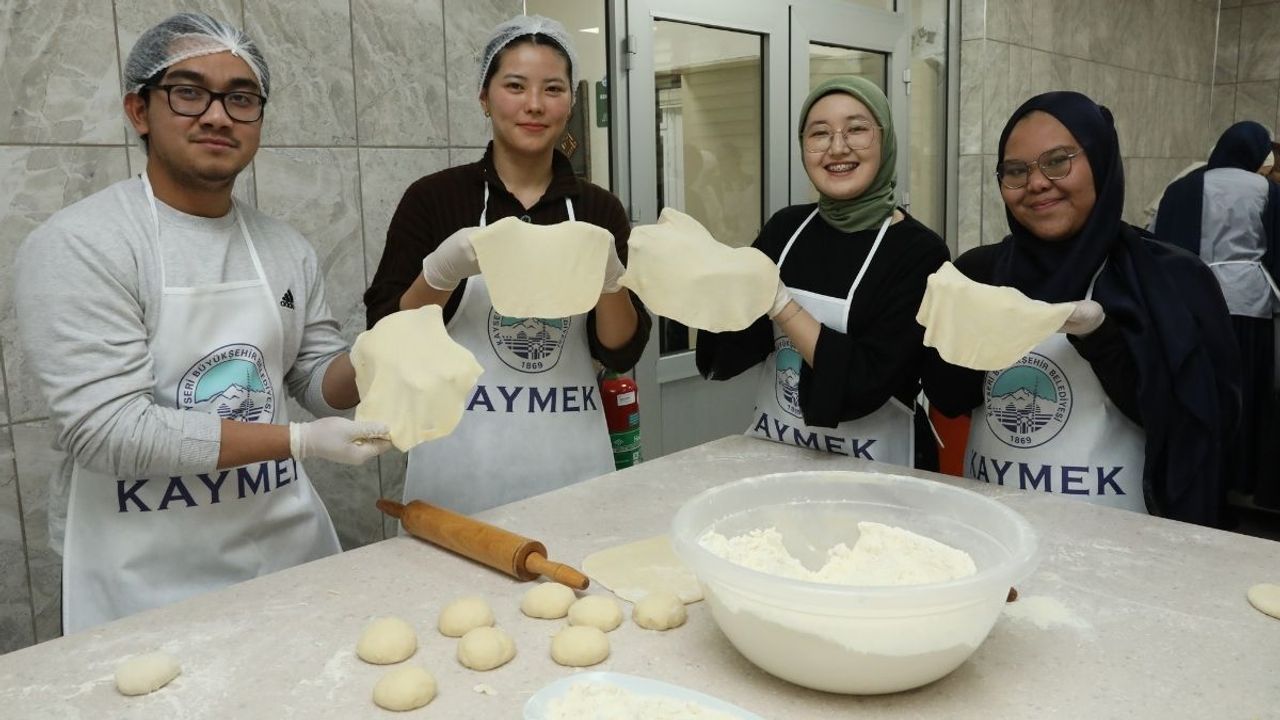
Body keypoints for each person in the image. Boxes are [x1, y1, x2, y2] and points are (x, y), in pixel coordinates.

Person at [13, 13, 391, 634]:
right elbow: (108, 431)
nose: (217, 116)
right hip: (145, 575)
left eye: (241, 99)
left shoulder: (284, 247)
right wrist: (298, 442)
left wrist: (389, 348)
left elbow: (318, 383)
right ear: (140, 110)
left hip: (285, 552)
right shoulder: (83, 244)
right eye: (188, 92)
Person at [362, 15, 650, 514]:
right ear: (484, 97)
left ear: (571, 102)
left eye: (553, 89)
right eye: (515, 86)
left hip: (573, 471)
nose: (534, 105)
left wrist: (610, 282)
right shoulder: (433, 199)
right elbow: (385, 336)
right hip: (458, 471)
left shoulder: (598, 209)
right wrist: (440, 273)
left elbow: (623, 351)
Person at [924, 91, 1240, 526]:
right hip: (994, 532)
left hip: (1122, 538)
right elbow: (949, 396)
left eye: (1057, 161)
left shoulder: (1171, 280)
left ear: (1101, 162)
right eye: (1016, 170)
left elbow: (1200, 427)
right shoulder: (980, 270)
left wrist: (1100, 338)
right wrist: (951, 321)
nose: (1036, 182)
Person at [695, 77, 949, 468]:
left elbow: (862, 382)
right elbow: (734, 353)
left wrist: (782, 305)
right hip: (778, 451)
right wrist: (708, 292)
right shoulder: (786, 228)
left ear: (886, 139)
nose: (837, 147)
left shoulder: (918, 251)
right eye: (819, 134)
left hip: (876, 466)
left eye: (857, 130)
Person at [1152, 121, 1280, 511]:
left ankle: (1202, 472)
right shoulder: (1267, 191)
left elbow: (1161, 242)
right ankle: (1242, 475)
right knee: (1248, 390)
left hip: (1197, 301)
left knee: (1202, 387)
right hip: (1250, 303)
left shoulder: (1184, 187)